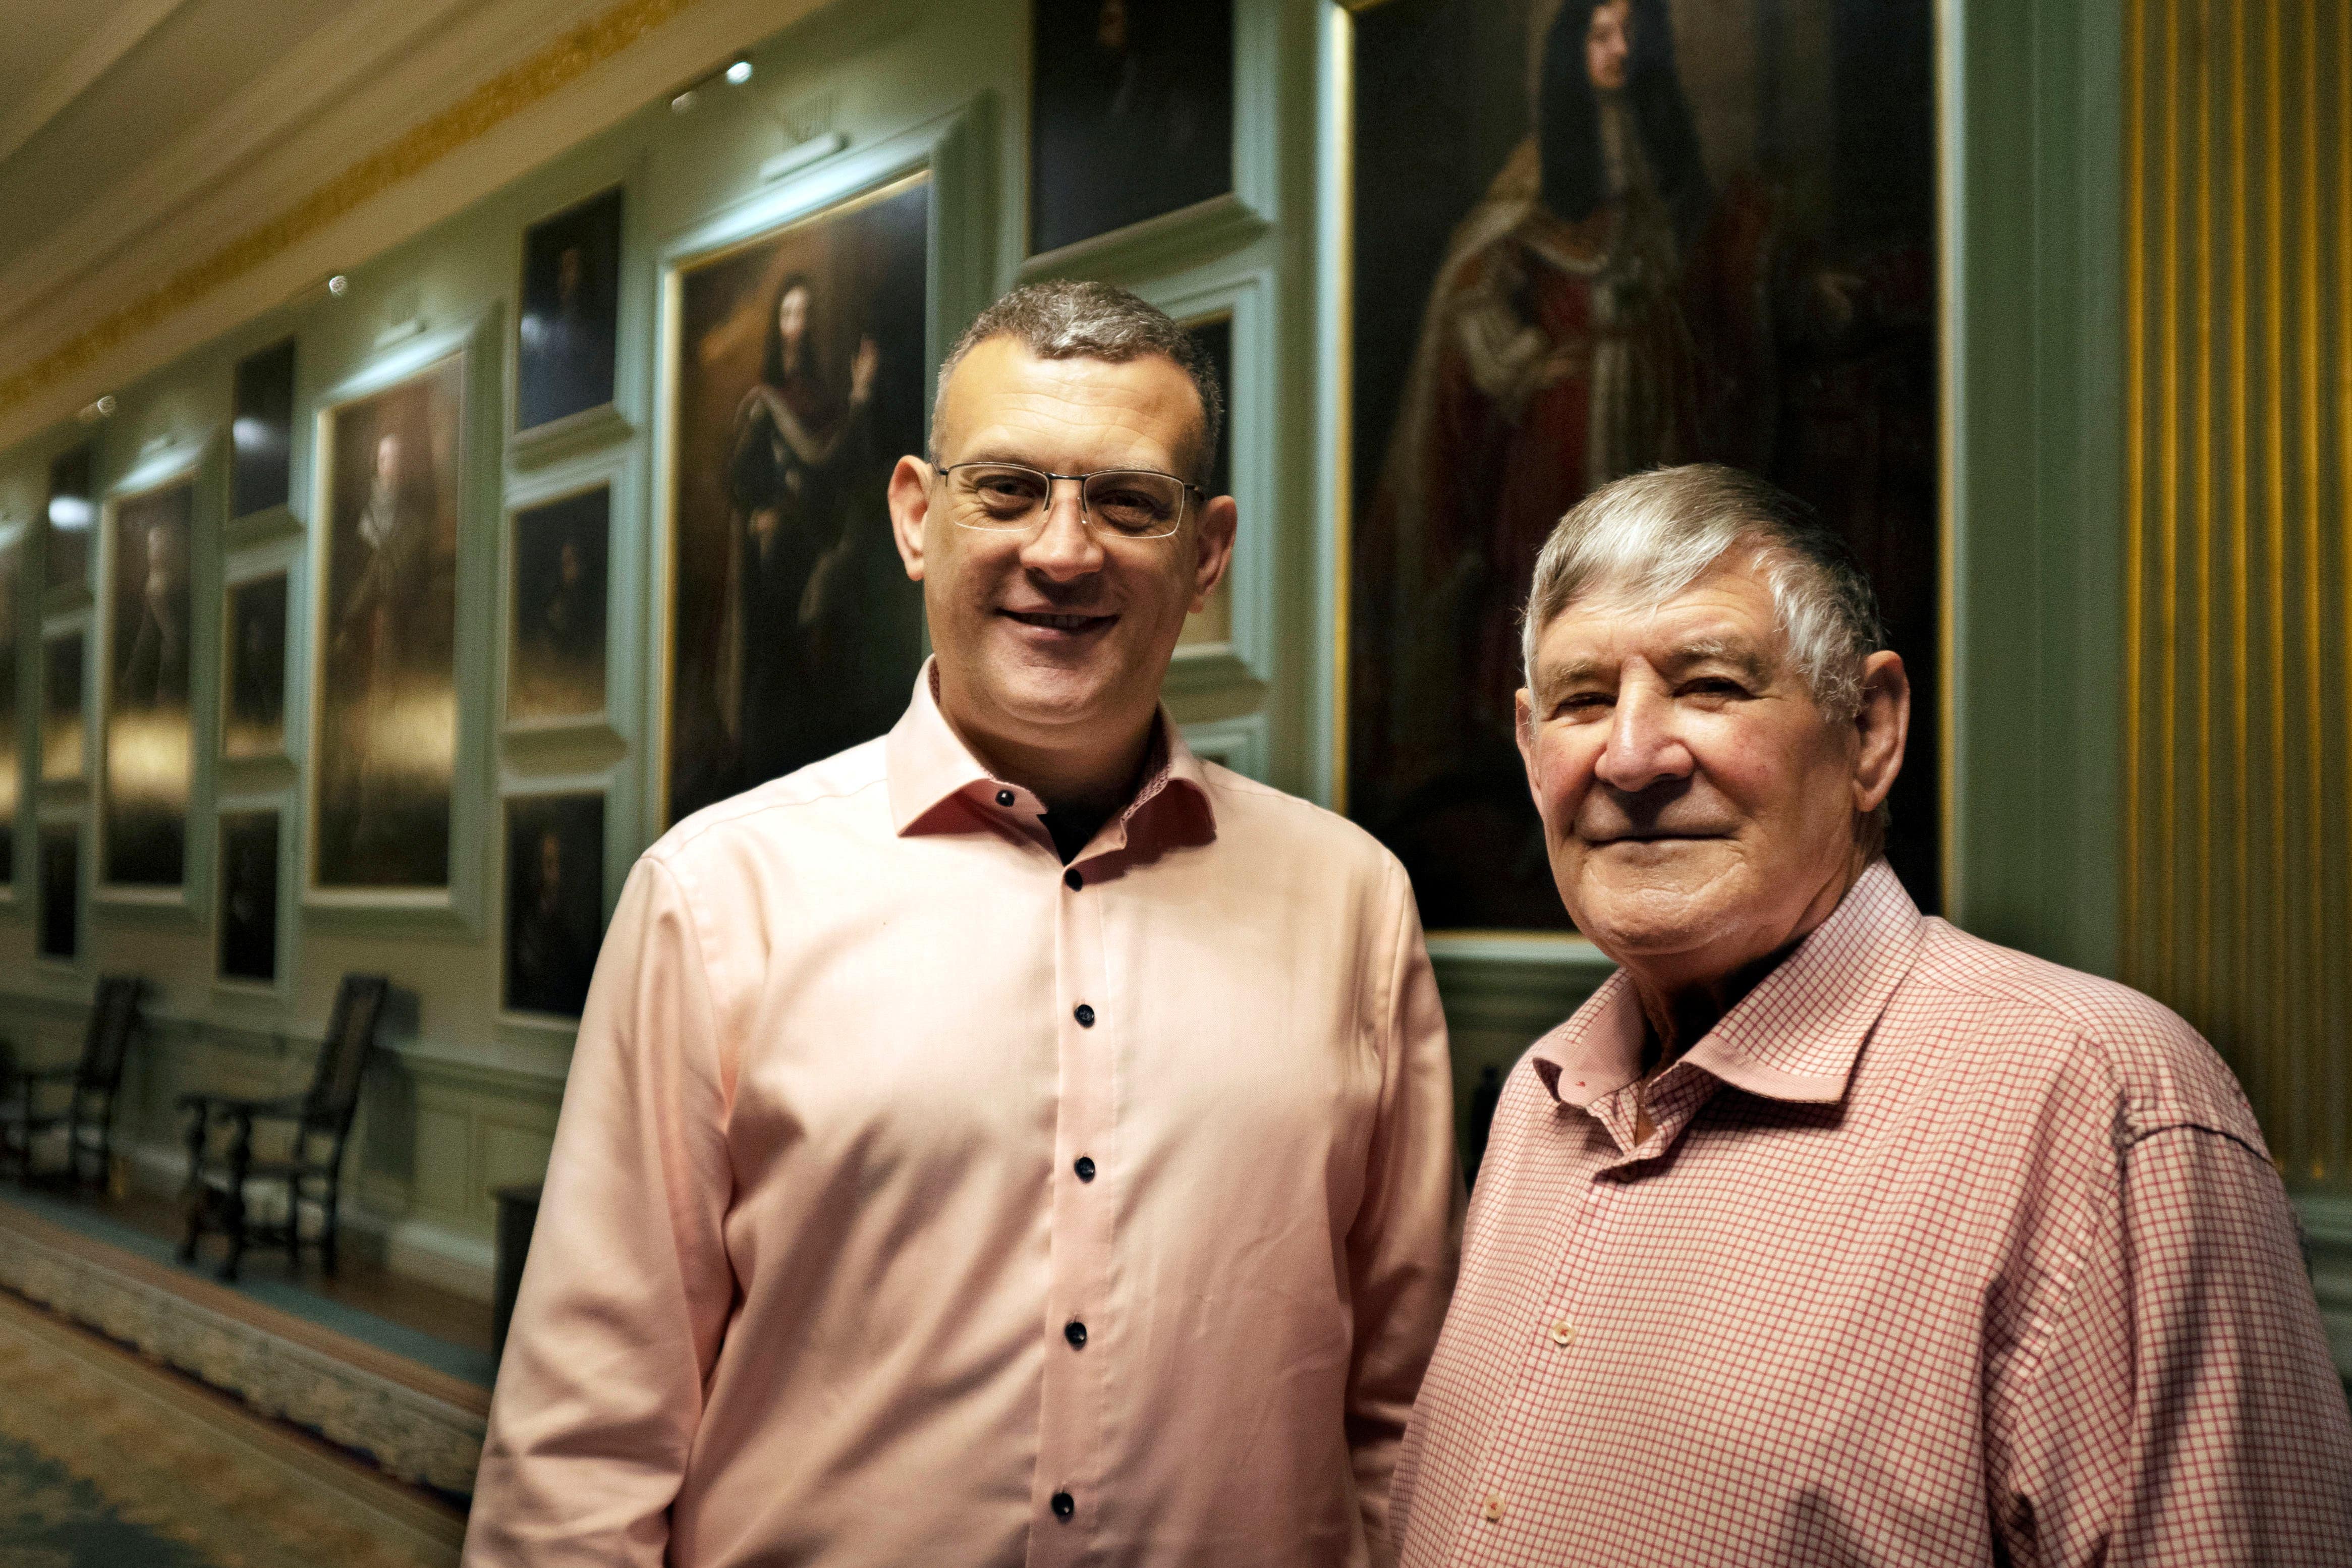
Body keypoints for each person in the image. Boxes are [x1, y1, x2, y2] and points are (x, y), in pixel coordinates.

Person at [466, 281, 1461, 1567]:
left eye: (1127, 501)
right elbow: (584, 1440)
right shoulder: (716, 897)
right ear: (916, 518)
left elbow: (1405, 1419)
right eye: (1006, 490)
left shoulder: (1355, 907)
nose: (1062, 551)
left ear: (1206, 552)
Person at [1392, 463, 2352, 1565]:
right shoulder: (1543, 1097)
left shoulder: (2099, 1102)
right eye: (1580, 701)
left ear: (1871, 733)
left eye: (1710, 685)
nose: (1631, 756)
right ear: (1528, 751)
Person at [1353, 0, 1711, 930]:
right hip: (1558, 430)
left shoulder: (1668, 160)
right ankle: (1537, 799)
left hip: (1653, 406)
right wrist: (1521, 366)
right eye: (1600, 33)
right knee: (1553, 600)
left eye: (1634, 33)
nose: (1619, 49)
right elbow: (1471, 287)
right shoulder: (1541, 170)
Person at [720, 272, 880, 788]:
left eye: (805, 314)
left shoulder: (825, 401)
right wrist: (764, 510)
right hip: (773, 555)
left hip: (812, 547)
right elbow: (742, 479)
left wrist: (859, 396)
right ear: (778, 325)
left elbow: (839, 470)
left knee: (815, 671)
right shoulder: (763, 402)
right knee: (771, 665)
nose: (798, 325)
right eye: (789, 314)